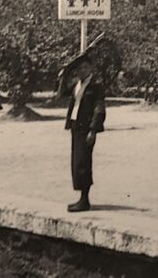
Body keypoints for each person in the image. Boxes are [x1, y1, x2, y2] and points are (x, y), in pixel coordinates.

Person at [63, 56, 105, 211]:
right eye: (79, 68)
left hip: (86, 128)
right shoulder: (77, 84)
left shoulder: (96, 86)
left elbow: (99, 109)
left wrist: (93, 130)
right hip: (75, 126)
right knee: (76, 162)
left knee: (83, 163)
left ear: (90, 69)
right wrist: (65, 72)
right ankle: (80, 197)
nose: (81, 71)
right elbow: (62, 93)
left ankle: (85, 200)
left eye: (84, 68)